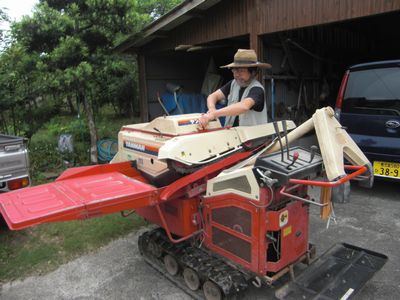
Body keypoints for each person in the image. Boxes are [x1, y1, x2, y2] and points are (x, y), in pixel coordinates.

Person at [198, 49, 271, 129]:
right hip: (233, 135)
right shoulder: (233, 84)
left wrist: (215, 114)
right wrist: (212, 109)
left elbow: (244, 106)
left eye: (241, 71)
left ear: (253, 72)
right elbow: (213, 96)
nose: (236, 75)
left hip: (253, 139)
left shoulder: (257, 89)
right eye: (234, 71)